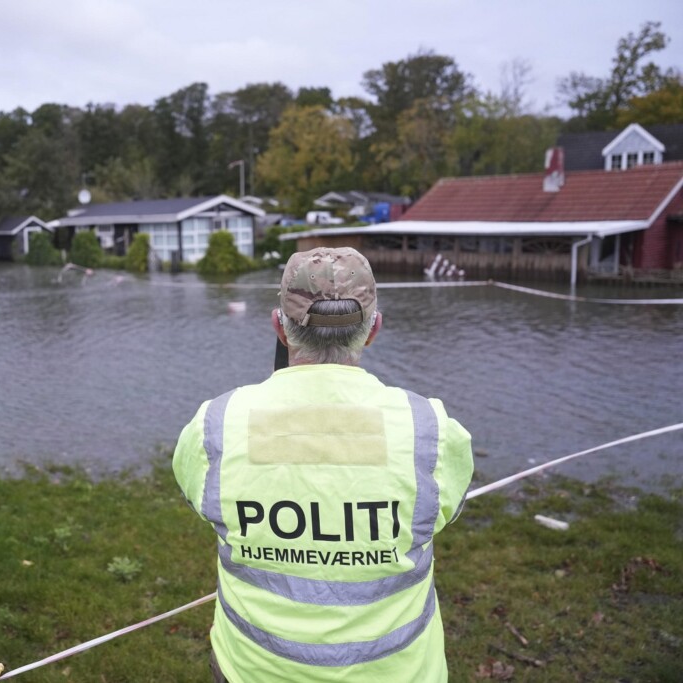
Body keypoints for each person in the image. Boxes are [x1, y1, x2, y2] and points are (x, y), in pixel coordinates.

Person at [173, 247, 474, 682]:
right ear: (374, 330)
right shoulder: (430, 430)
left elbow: (200, 501)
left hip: (253, 672)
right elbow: (443, 513)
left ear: (280, 327)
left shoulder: (215, 426)